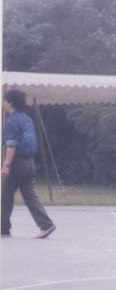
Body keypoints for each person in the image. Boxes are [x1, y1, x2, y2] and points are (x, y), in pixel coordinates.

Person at [1, 90, 56, 239]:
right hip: (30, 162)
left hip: (16, 162)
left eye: (4, 101)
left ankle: (3, 229)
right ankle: (46, 224)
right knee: (30, 195)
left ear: (10, 103)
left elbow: (11, 145)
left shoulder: (11, 121)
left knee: (5, 196)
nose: (3, 104)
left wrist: (6, 164)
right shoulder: (27, 119)